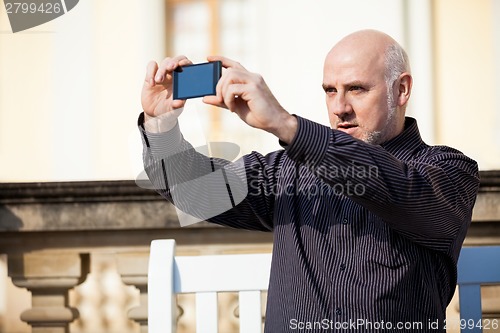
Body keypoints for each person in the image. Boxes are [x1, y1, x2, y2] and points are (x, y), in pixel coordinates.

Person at [138, 30, 480, 332]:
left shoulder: (448, 170)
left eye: (356, 89)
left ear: (401, 89)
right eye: (330, 91)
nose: (339, 107)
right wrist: (160, 125)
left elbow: (402, 190)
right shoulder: (288, 171)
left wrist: (287, 126)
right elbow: (198, 190)